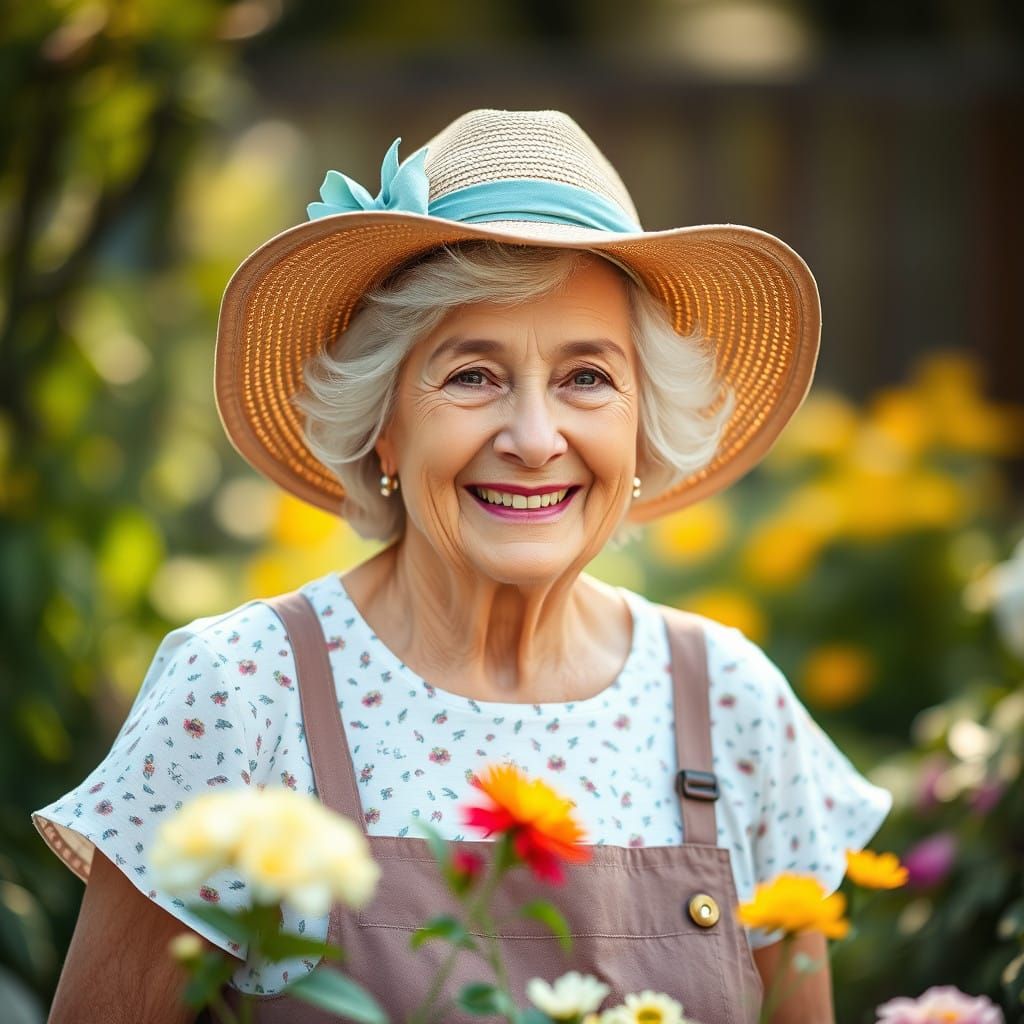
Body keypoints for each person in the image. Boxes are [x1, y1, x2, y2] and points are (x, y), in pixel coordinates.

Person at [35, 109, 891, 1023]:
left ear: (643, 427)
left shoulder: (729, 699)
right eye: (472, 375)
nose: (533, 439)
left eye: (588, 378)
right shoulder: (242, 691)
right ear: (384, 425)